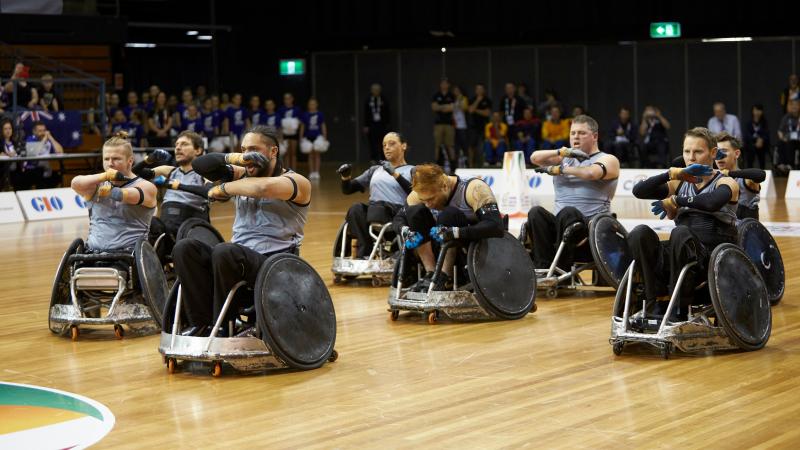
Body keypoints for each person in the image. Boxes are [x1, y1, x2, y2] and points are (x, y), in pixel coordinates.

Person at [172, 125, 311, 336]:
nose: (247, 155)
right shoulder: (241, 173)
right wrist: (235, 158)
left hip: (276, 264)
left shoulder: (297, 181)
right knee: (185, 248)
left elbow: (260, 188)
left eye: (254, 149)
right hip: (235, 259)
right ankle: (202, 324)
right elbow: (200, 164)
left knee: (226, 251)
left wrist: (221, 188)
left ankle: (222, 326)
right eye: (244, 149)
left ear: (273, 151)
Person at [629, 127, 739, 319]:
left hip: (710, 255)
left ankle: (679, 308)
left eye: (698, 151)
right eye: (687, 151)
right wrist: (670, 174)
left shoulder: (727, 183)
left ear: (713, 153)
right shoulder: (679, 183)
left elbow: (711, 203)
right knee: (640, 233)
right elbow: (639, 191)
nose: (691, 157)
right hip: (680, 250)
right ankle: (653, 302)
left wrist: (677, 200)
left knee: (680, 233)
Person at [526, 115, 620, 269]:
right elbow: (534, 158)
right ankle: (543, 268)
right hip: (559, 227)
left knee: (568, 212)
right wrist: (562, 152)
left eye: (582, 133)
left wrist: (561, 170)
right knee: (535, 213)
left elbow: (591, 173)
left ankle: (560, 269)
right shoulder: (564, 158)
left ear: (595, 136)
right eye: (572, 133)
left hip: (589, 228)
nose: (576, 136)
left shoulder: (608, 159)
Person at [392, 163, 503, 292]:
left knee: (448, 214)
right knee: (415, 212)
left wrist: (455, 232)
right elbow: (398, 219)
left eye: (431, 199)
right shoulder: (420, 194)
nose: (428, 204)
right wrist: (404, 231)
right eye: (424, 200)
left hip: (472, 244)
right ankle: (431, 273)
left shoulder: (474, 188)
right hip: (439, 244)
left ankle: (445, 276)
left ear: (444, 186)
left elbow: (496, 226)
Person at [70, 131, 157, 253]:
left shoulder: (146, 186)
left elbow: (121, 194)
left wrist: (110, 191)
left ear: (130, 161)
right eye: (106, 159)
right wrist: (104, 176)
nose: (110, 163)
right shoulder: (97, 183)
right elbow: (75, 183)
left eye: (116, 159)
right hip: (92, 252)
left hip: (129, 254)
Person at [337, 131, 413, 259]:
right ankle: (365, 251)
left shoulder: (412, 170)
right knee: (355, 209)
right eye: (384, 145)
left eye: (392, 144)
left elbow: (414, 193)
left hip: (397, 214)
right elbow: (348, 189)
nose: (387, 148)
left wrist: (395, 174)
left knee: (379, 208)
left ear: (403, 146)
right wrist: (345, 177)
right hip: (374, 212)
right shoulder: (375, 170)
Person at [134, 131, 212, 245]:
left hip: (189, 226)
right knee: (148, 223)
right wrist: (148, 160)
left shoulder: (204, 172)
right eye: (176, 145)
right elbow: (135, 173)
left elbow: (210, 192)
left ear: (198, 150)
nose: (178, 148)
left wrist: (177, 186)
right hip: (167, 224)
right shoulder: (169, 170)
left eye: (184, 144)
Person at [713, 132, 765, 220]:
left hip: (746, 230)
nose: (719, 156)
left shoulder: (746, 180)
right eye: (716, 152)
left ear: (736, 154)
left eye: (723, 151)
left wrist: (729, 173)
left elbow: (760, 174)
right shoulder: (715, 178)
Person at [13, 121, 64, 190]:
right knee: (41, 174)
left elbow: (60, 152)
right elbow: (34, 153)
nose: (42, 133)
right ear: (34, 132)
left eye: (44, 130)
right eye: (40, 131)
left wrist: (51, 138)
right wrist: (44, 139)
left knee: (57, 177)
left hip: (45, 170)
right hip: (31, 169)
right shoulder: (31, 139)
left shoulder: (48, 141)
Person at [431, 78, 455, 172]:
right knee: (437, 145)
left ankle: (453, 166)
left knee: (450, 145)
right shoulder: (436, 95)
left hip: (449, 123)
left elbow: (452, 108)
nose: (444, 85)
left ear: (448, 85)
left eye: (446, 84)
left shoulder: (451, 95)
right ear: (440, 85)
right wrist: (445, 107)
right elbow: (434, 107)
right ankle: (437, 165)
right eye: (442, 83)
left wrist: (440, 107)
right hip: (438, 124)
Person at [299, 97, 327, 180]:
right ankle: (311, 172)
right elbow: (302, 126)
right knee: (310, 155)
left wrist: (325, 136)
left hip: (317, 136)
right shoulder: (305, 114)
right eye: (310, 104)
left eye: (314, 104)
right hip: (308, 137)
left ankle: (317, 172)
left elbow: (323, 125)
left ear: (316, 105)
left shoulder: (320, 114)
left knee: (317, 154)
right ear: (308, 105)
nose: (312, 105)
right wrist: (301, 137)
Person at [363, 83, 391, 164]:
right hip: (372, 124)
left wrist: (388, 124)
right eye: (374, 90)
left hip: (381, 124)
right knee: (372, 142)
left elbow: (387, 112)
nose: (376, 92)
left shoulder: (383, 99)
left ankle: (383, 158)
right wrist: (366, 125)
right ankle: (373, 159)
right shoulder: (368, 100)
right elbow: (366, 113)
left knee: (383, 141)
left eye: (377, 90)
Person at [467, 83, 492, 167]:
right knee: (471, 147)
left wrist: (476, 110)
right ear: (475, 90)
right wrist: (477, 101)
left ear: (484, 90)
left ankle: (481, 165)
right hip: (473, 126)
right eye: (478, 89)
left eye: (481, 89)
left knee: (481, 147)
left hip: (484, 126)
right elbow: (470, 110)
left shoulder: (487, 100)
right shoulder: (472, 99)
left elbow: (487, 113)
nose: (479, 91)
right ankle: (471, 164)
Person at [277, 92, 302, 171]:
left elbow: (300, 122)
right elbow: (279, 125)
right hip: (285, 134)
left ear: (292, 99)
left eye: (289, 98)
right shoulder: (281, 110)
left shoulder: (297, 109)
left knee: (293, 153)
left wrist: (294, 124)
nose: (287, 100)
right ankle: (286, 170)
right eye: (285, 99)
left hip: (293, 134)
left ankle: (293, 170)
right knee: (286, 154)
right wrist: (280, 136)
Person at [742, 104, 770, 169]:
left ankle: (762, 170)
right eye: (755, 110)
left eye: (759, 110)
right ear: (752, 111)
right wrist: (755, 141)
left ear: (762, 111)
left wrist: (761, 140)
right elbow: (746, 135)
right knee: (749, 151)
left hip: (762, 144)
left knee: (762, 152)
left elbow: (767, 134)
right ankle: (749, 171)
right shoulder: (749, 122)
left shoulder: (765, 123)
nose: (757, 112)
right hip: (751, 143)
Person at [777, 99, 800, 172]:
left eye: (796, 105)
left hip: (798, 140)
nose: (794, 107)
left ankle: (791, 165)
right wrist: (782, 138)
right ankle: (783, 164)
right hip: (787, 140)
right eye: (792, 105)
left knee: (791, 143)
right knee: (781, 142)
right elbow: (780, 131)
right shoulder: (786, 117)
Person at [452, 85, 470, 167]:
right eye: (454, 90)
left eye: (457, 90)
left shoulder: (463, 99)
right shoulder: (454, 99)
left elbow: (464, 107)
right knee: (456, 146)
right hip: (455, 125)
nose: (455, 92)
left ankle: (467, 162)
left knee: (464, 145)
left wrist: (458, 103)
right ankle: (457, 163)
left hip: (462, 126)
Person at [1, 118, 20, 190]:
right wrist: (7, 155)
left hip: (15, 171)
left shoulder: (15, 142)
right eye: (5, 129)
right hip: (3, 170)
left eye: (10, 128)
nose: (8, 131)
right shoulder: (0, 143)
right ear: (1, 130)